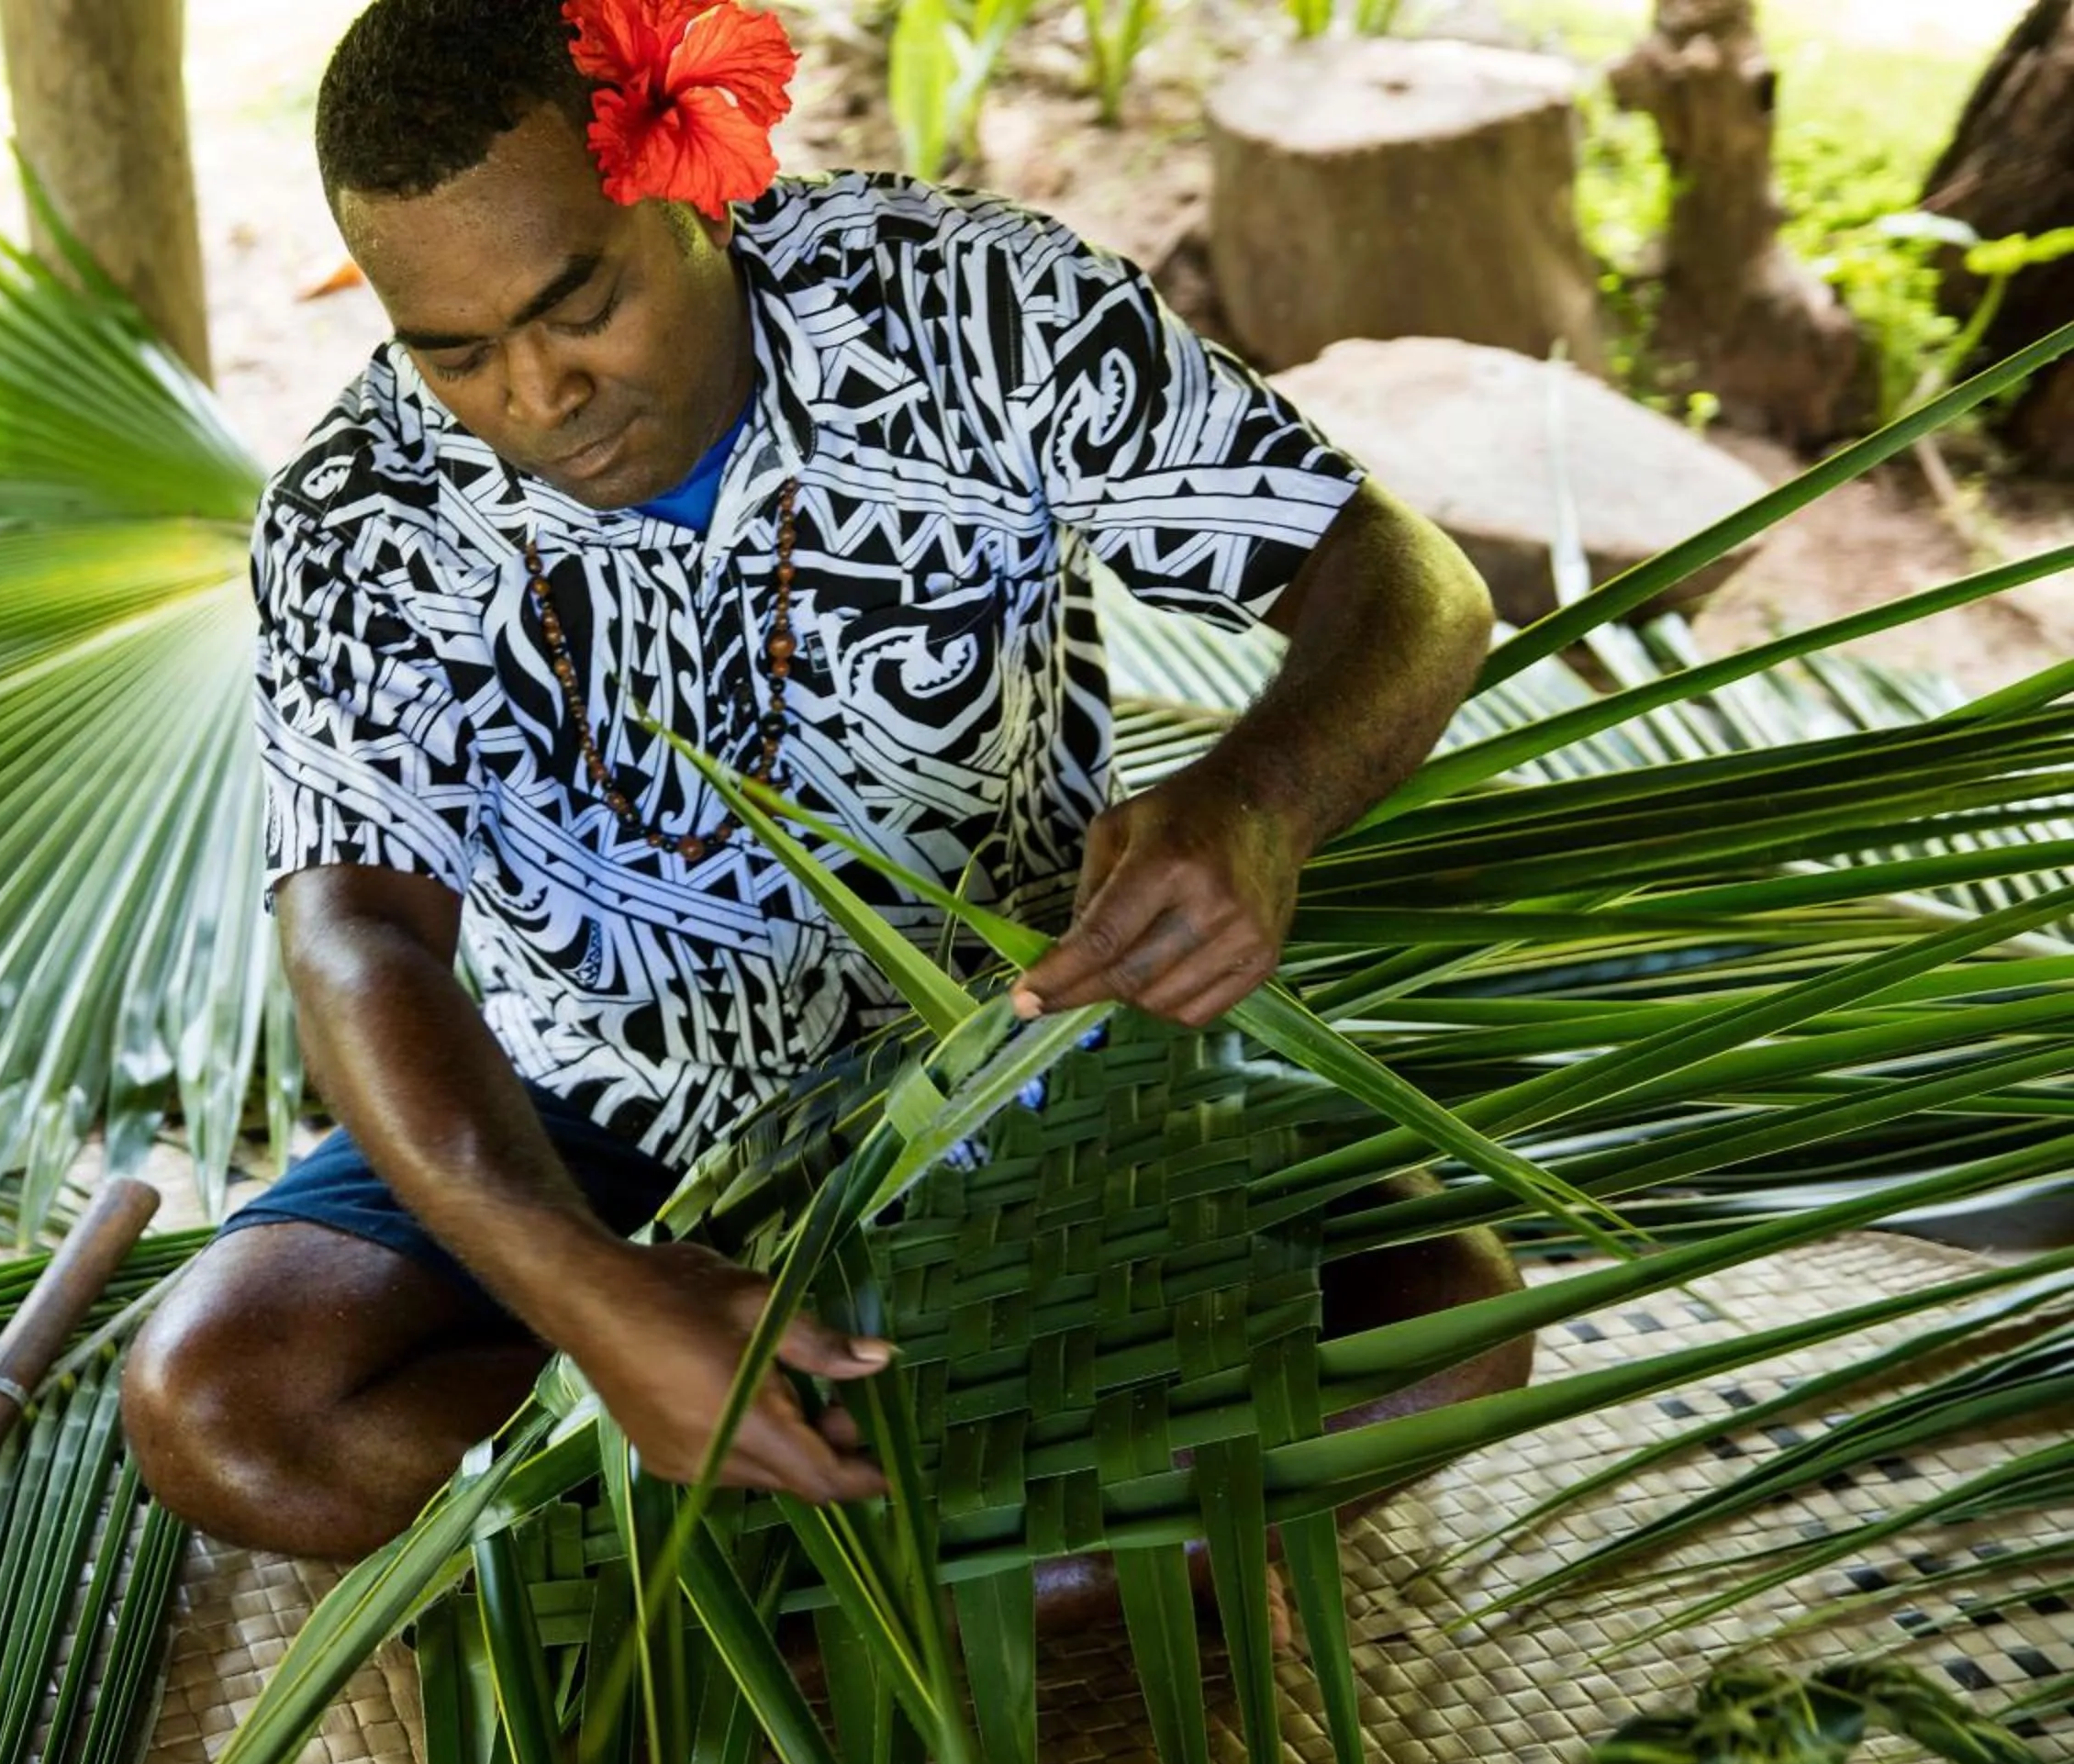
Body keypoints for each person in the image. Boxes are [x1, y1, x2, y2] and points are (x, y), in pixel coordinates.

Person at [122, 0, 1533, 1590]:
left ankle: (777, 1539)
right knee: (222, 1412)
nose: (538, 394)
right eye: (455, 352)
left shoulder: (980, 308)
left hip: (1003, 1076)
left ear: (699, 179)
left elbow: (1407, 582)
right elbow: (355, 932)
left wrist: (1258, 799)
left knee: (1451, 1330)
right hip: (581, 1107)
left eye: (574, 302)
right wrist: (588, 1293)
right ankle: (1005, 1530)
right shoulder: (356, 516)